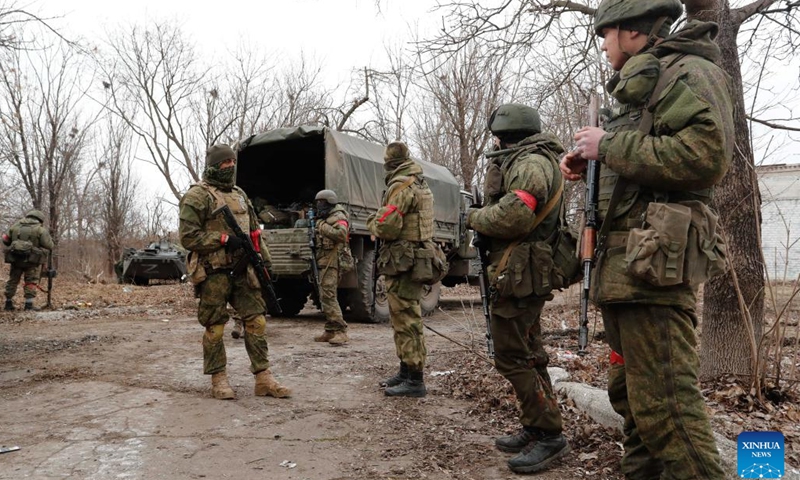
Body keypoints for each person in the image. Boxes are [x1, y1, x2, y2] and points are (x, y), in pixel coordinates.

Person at [560, 1, 733, 478]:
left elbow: (707, 155)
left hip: (652, 273)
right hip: (626, 271)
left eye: (606, 33)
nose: (602, 44)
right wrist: (589, 161)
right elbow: (645, 158)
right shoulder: (643, 84)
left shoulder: (690, 72)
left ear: (632, 32)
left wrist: (609, 146)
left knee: (667, 411)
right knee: (633, 401)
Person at [466, 104, 570, 474]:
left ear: (506, 134)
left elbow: (514, 214)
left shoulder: (530, 164)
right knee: (529, 352)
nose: (494, 140)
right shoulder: (531, 159)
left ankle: (549, 434)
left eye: (497, 134)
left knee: (512, 355)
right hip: (519, 272)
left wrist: (475, 217)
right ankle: (537, 425)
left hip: (520, 274)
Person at [179, 143, 291, 400]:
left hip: (244, 270)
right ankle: (219, 380)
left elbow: (254, 232)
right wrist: (222, 240)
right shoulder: (197, 196)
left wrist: (266, 261)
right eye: (224, 162)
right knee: (215, 326)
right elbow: (188, 237)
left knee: (257, 321)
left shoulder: (240, 194)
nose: (230, 166)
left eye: (232, 161)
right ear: (214, 165)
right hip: (213, 271)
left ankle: (264, 378)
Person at [367, 141, 433, 398]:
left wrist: (373, 221)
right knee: (404, 317)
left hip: (404, 261)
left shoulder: (401, 185)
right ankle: (406, 371)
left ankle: (415, 379)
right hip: (412, 258)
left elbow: (387, 226)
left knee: (406, 319)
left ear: (389, 163)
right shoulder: (418, 182)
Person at [312, 189, 352, 346]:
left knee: (328, 294)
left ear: (329, 203)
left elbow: (342, 234)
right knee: (324, 294)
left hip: (333, 260)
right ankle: (330, 329)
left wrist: (321, 226)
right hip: (324, 259)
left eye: (321, 203)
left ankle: (341, 331)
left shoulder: (338, 216)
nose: (318, 206)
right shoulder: (326, 217)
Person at [3, 209, 54, 311]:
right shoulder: (40, 229)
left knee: (13, 280)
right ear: (40, 219)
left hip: (16, 259)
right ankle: (29, 305)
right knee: (31, 281)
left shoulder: (15, 227)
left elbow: (5, 239)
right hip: (32, 261)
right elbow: (49, 245)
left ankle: (8, 304)